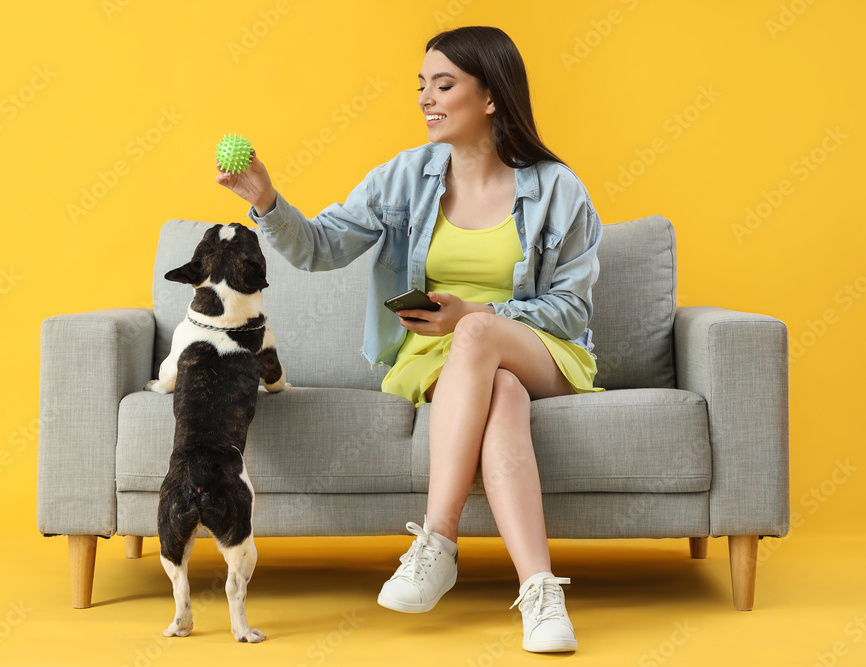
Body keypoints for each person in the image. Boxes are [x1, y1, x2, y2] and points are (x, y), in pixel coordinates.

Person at [217, 25, 603, 654]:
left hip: (543, 350)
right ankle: (540, 592)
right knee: (500, 394)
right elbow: (320, 248)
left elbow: (569, 306)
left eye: (444, 85)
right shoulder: (406, 177)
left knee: (483, 336)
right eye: (421, 86)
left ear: (491, 97)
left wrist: (476, 312)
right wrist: (266, 202)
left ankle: (437, 541)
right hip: (440, 358)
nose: (426, 98)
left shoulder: (558, 188)